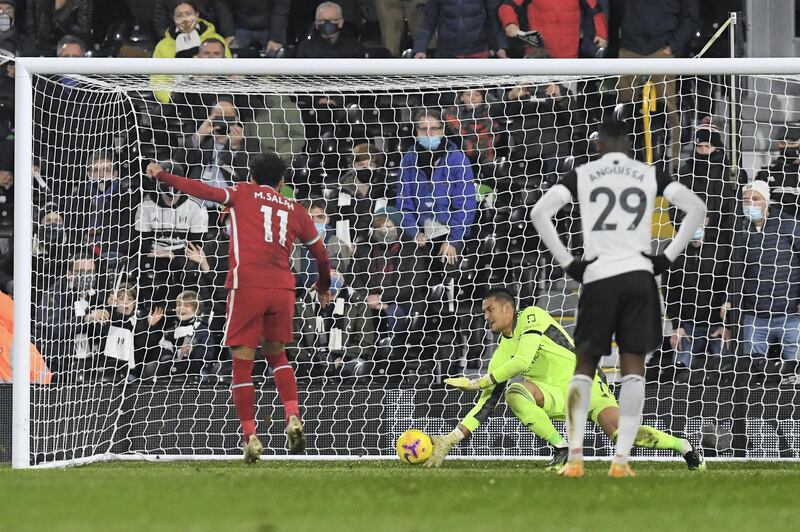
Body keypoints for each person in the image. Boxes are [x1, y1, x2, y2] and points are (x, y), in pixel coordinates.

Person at [530, 118, 706, 477]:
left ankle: (575, 458)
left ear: (598, 146)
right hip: (639, 279)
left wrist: (567, 262)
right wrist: (667, 256)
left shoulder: (583, 173)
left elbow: (539, 213)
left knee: (584, 366)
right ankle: (621, 461)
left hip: (599, 277)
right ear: (629, 146)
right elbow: (696, 208)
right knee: (633, 370)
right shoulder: (648, 174)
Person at [146, 152, 332, 463]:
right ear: (282, 181)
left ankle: (250, 437)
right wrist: (323, 287)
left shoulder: (241, 192)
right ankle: (293, 415)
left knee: (242, 364)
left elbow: (201, 189)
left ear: (253, 176)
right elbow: (322, 255)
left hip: (247, 286)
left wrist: (161, 175)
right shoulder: (296, 209)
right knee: (278, 356)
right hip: (283, 289)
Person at [426, 287, 705, 470]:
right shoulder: (501, 354)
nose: (485, 316)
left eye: (490, 310)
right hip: (555, 395)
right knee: (514, 392)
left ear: (508, 308)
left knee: (624, 436)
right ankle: (562, 449)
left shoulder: (533, 317)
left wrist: (479, 381)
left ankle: (686, 448)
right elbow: (486, 404)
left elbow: (523, 360)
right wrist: (451, 439)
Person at [725, 181, 800, 384]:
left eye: (755, 199)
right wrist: (729, 299)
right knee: (754, 371)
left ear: (766, 201)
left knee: (794, 369)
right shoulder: (739, 231)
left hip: (790, 312)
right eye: (745, 200)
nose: (750, 204)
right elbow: (733, 270)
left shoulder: (789, 225)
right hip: (754, 313)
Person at [397, 108, 477, 269]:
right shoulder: (409, 159)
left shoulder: (457, 159)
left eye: (434, 128)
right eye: (423, 129)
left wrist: (453, 239)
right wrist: (414, 233)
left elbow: (466, 205)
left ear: (442, 130)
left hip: (450, 230)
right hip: (420, 232)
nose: (428, 133)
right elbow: (404, 203)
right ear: (416, 131)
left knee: (447, 262)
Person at [498, 0, 607, 59]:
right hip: (537, 55)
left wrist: (602, 34)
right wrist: (510, 23)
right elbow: (507, 5)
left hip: (569, 56)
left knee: (568, 98)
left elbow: (596, 10)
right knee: (536, 98)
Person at [412, 0, 507, 59]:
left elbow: (494, 19)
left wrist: (501, 46)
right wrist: (420, 49)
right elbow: (428, 23)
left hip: (478, 53)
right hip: (447, 54)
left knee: (476, 91)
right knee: (448, 91)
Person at [755, 124, 800, 218]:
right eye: (782, 143)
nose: (786, 147)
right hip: (774, 226)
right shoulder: (766, 174)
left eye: (792, 143)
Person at [295, 2, 366, 59]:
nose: (327, 24)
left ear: (341, 22)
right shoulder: (305, 48)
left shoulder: (355, 47)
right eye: (322, 20)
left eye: (332, 20)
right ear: (316, 24)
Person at [214, 0, 290, 53]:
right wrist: (228, 34)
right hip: (239, 27)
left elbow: (280, 10)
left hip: (271, 28)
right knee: (230, 58)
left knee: (277, 56)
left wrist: (274, 38)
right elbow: (223, 7)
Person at [25, 0, 92, 54]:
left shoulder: (81, 1)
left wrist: (60, 14)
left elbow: (83, 31)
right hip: (42, 52)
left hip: (71, 52)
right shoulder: (35, 2)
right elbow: (29, 30)